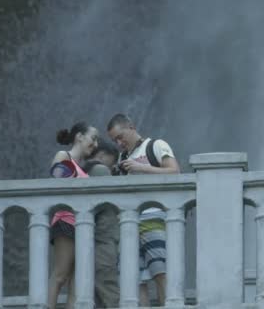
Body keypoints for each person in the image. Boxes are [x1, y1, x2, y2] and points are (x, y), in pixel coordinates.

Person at [107, 114, 180, 306]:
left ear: (131, 126)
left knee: (160, 270)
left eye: (120, 136)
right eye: (115, 140)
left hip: (153, 215)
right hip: (129, 221)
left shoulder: (155, 145)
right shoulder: (123, 158)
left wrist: (141, 168)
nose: (119, 142)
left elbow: (175, 171)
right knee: (133, 276)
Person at [48, 122, 99, 309]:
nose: (96, 144)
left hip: (82, 225)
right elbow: (56, 182)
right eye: (93, 138)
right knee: (60, 275)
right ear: (79, 136)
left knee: (76, 282)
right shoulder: (64, 156)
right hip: (66, 221)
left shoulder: (82, 167)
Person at [84, 139, 121, 308]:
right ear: (102, 155)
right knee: (109, 287)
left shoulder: (84, 170)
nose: (113, 167)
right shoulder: (100, 170)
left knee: (95, 292)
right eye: (112, 160)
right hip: (103, 238)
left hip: (90, 239)